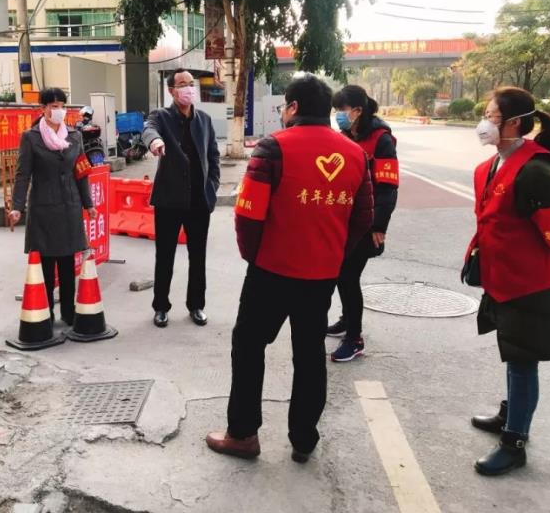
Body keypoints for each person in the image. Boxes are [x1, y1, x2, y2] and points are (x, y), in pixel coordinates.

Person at [206, 73, 374, 462]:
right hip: (321, 275)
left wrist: (255, 257)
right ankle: (303, 439)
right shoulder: (354, 154)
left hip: (271, 271)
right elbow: (363, 218)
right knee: (310, 354)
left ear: (294, 107)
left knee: (249, 347)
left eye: (284, 106)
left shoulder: (273, 147)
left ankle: (243, 434)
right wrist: (334, 253)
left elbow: (248, 215)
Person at [465, 87, 550, 476]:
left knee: (522, 360)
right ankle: (512, 413)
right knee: (513, 352)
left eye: (491, 116)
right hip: (504, 279)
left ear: (514, 123)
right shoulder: (492, 166)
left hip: (533, 285)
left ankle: (514, 442)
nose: (484, 122)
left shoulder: (535, 170)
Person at [9, 87, 98, 326]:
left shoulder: (74, 136)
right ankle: (45, 312)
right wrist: (17, 206)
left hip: (70, 206)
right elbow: (22, 175)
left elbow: (81, 172)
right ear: (43, 109)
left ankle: (68, 312)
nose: (59, 110)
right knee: (46, 264)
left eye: (62, 106)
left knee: (68, 264)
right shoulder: (31, 137)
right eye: (54, 106)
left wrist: (88, 204)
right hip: (43, 207)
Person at [142, 69, 221, 328]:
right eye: (182, 84)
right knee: (165, 256)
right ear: (171, 91)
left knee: (198, 257)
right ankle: (161, 307)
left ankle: (196, 305)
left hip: (199, 201)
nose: (188, 88)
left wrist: (212, 187)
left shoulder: (204, 120)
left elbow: (213, 156)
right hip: (169, 200)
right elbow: (149, 129)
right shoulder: (161, 117)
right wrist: (155, 142)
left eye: (190, 83)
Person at [327, 86, 398, 361]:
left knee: (348, 276)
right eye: (335, 110)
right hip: (345, 220)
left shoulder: (381, 140)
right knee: (341, 275)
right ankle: (347, 320)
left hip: (366, 223)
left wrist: (379, 226)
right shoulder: (346, 135)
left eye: (342, 110)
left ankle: (355, 339)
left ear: (357, 111)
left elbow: (388, 187)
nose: (338, 115)